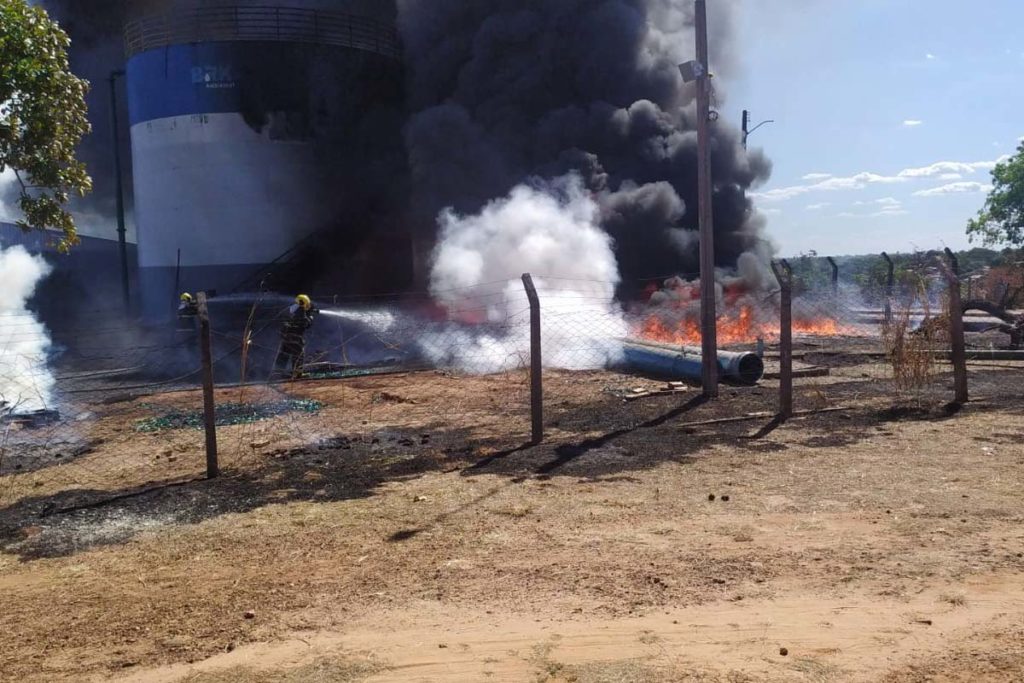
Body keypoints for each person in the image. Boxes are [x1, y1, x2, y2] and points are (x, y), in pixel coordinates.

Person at [274, 294, 316, 379]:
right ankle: (298, 374)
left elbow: (282, 321)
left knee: (284, 355)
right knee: (298, 356)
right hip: (296, 339)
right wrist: (309, 316)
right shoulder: (301, 312)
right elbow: (305, 324)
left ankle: (277, 373)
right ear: (304, 303)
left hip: (286, 338)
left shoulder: (290, 310)